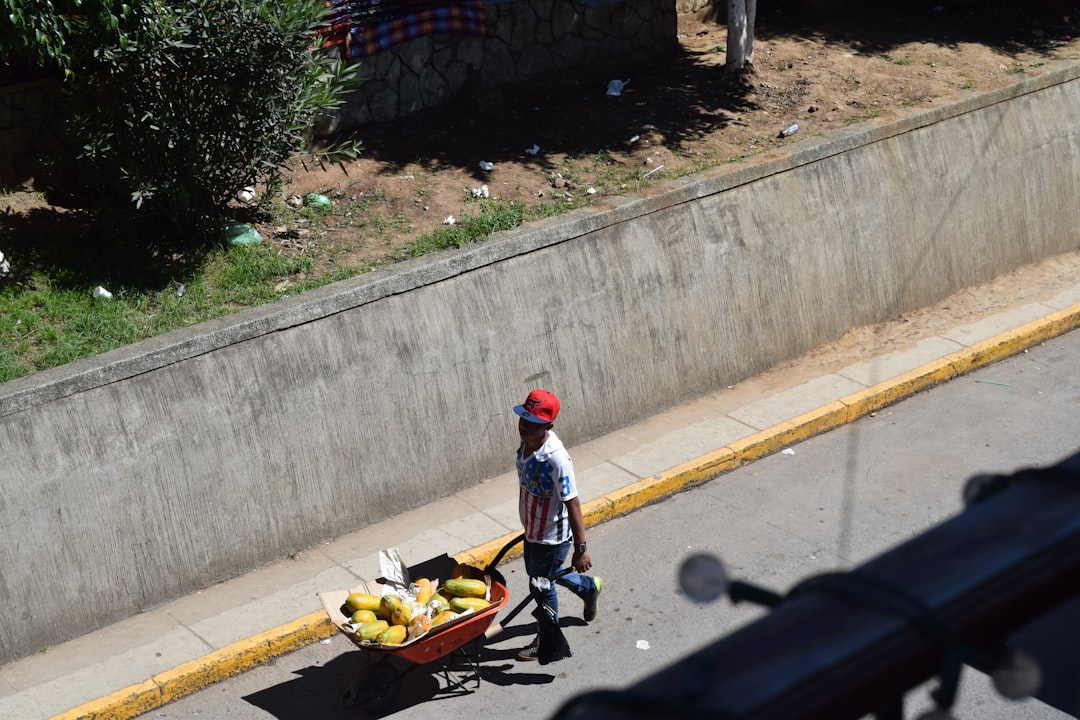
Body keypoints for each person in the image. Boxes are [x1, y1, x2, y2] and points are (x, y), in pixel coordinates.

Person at [512, 388, 602, 661]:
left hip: (551, 537)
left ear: (548, 426)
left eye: (533, 422)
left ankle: (546, 639)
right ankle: (588, 588)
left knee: (541, 586)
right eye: (524, 418)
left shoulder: (557, 460)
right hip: (533, 530)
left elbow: (573, 503)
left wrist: (581, 548)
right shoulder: (527, 443)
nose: (524, 425)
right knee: (547, 575)